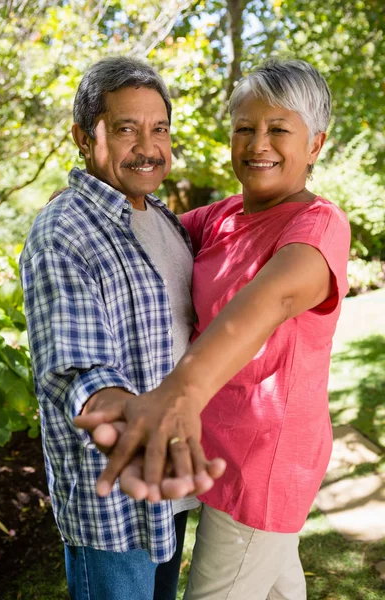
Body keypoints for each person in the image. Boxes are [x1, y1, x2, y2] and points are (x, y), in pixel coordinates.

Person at [75, 58, 351, 600]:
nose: (258, 143)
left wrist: (179, 393)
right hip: (223, 457)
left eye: (279, 129)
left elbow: (269, 299)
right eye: (245, 127)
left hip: (262, 467)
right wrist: (79, 200)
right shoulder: (219, 219)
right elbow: (142, 221)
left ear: (315, 145)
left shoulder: (318, 225)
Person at [19, 55, 224, 600]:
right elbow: (76, 370)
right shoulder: (63, 231)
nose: (148, 146)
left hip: (169, 490)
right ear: (84, 138)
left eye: (159, 129)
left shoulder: (162, 220)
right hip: (113, 510)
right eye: (126, 129)